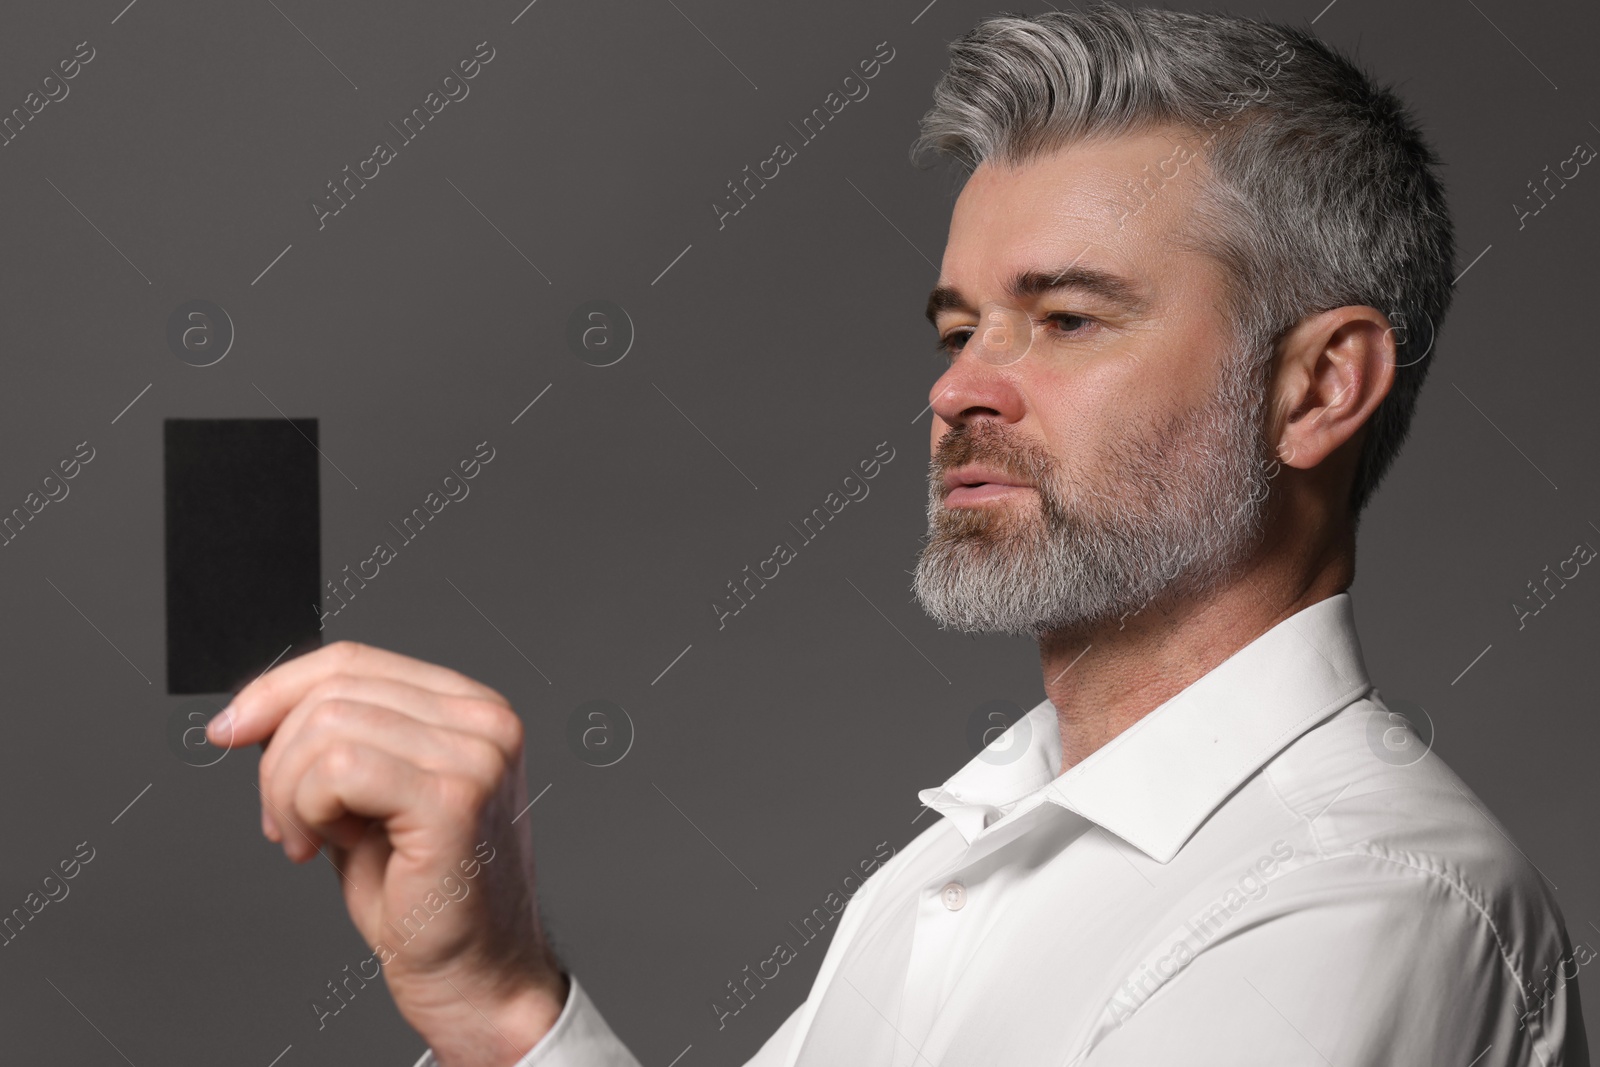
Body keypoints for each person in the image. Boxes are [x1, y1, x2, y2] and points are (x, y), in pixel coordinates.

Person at [207, 5, 1590, 1065]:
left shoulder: (1363, 906)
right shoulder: (947, 869)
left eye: (1065, 320)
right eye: (956, 328)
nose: (958, 390)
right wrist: (497, 1004)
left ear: (1318, 388)